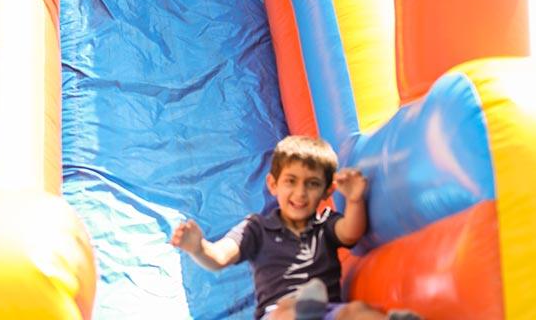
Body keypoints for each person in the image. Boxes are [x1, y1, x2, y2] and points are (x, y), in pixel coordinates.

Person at [170, 135, 418, 320]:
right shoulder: (256, 228)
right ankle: (305, 312)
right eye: (291, 181)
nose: (300, 193)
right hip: (278, 313)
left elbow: (352, 232)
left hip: (327, 312)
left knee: (357, 310)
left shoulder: (325, 224)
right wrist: (199, 248)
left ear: (326, 191)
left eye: (312, 184)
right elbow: (220, 257)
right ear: (273, 184)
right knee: (289, 309)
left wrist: (354, 199)